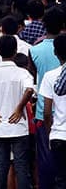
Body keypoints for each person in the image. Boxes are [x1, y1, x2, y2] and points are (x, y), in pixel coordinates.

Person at [0, 35, 35, 189]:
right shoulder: (22, 73)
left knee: (1, 165)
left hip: (0, 125)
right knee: (21, 166)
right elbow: (29, 90)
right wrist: (19, 108)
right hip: (18, 126)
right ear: (15, 51)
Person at [30, 6, 64, 188]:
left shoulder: (34, 50)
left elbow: (32, 78)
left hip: (44, 111)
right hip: (58, 113)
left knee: (45, 159)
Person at [39, 35, 66, 186]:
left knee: (60, 179)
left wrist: (50, 133)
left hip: (58, 135)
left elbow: (47, 112)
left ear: (55, 52)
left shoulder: (50, 76)